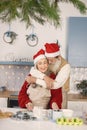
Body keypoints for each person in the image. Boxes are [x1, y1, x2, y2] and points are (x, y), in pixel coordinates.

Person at [26, 42, 70, 108]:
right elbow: (33, 70)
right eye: (47, 60)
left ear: (58, 57)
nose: (48, 63)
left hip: (60, 91)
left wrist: (35, 80)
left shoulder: (66, 67)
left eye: (51, 60)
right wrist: (45, 77)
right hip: (46, 91)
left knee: (60, 113)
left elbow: (55, 85)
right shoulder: (48, 57)